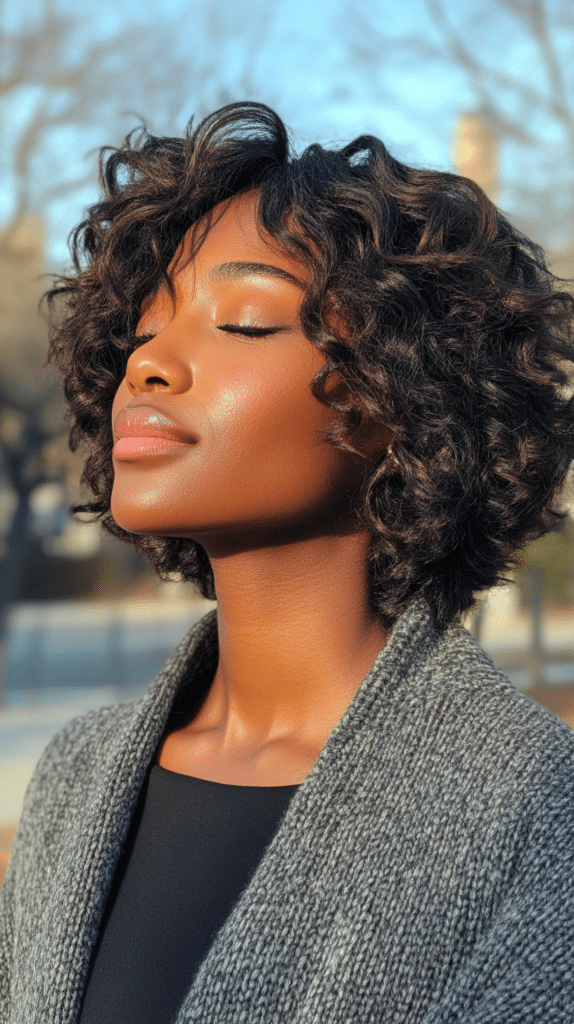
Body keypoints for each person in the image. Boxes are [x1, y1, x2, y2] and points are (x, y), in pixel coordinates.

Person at [1, 101, 574, 1024]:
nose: (148, 367)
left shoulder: (535, 816)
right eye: (143, 333)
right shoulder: (77, 775)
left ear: (407, 399)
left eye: (245, 324)